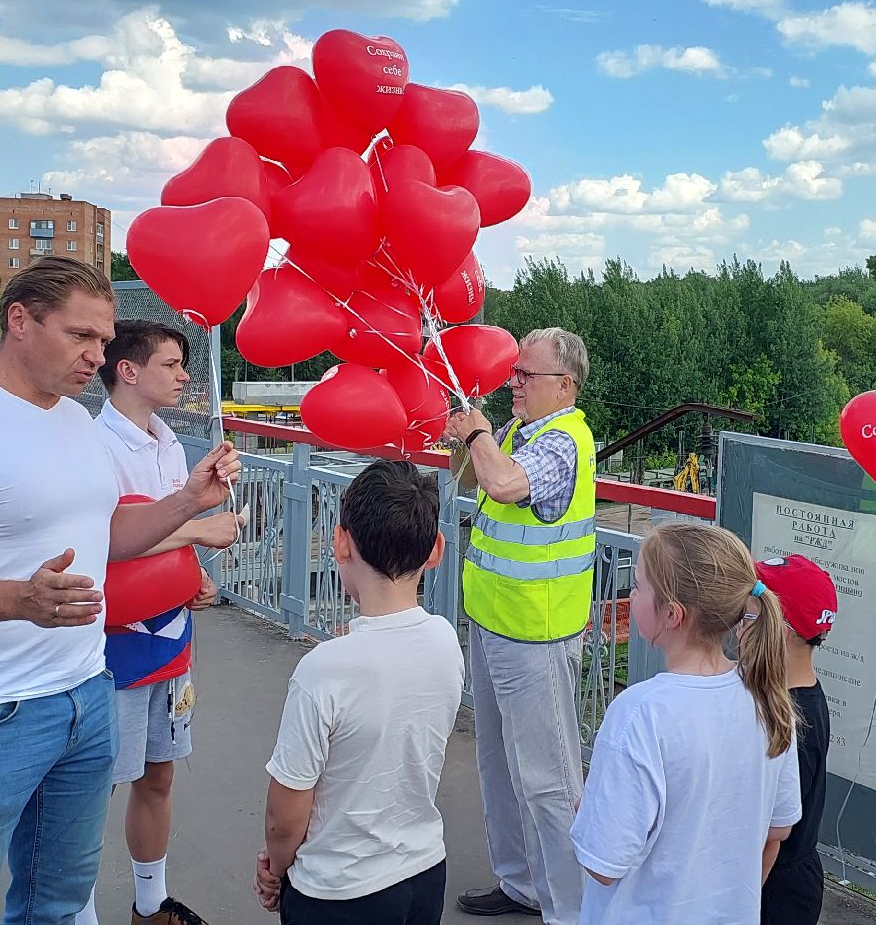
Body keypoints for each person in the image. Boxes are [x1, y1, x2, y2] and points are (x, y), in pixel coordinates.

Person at [0, 257, 242, 925]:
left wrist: (187, 501)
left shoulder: (73, 420)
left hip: (84, 695)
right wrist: (18, 599)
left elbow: (109, 535)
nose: (97, 356)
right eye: (80, 337)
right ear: (20, 321)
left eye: (103, 340)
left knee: (58, 903)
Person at [252, 459, 465, 924]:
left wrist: (277, 868)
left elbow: (284, 816)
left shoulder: (323, 672)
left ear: (341, 542)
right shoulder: (446, 641)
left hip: (339, 891)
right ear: (436, 550)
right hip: (424, 871)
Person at [78, 321, 240, 925]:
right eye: (171, 364)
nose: (183, 376)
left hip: (169, 638)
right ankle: (79, 910)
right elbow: (107, 541)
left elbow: (163, 545)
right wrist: (198, 526)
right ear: (128, 370)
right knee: (93, 789)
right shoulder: (95, 447)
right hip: (111, 646)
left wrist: (191, 576)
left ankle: (151, 903)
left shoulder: (170, 443)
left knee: (158, 773)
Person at [570, 523, 801, 925]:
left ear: (673, 614)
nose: (632, 594)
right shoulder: (768, 699)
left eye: (639, 587)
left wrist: (588, 810)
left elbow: (603, 864)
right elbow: (777, 831)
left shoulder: (640, 713)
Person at [443, 327, 596, 924]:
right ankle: (521, 884)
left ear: (565, 385)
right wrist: (466, 437)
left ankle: (571, 909)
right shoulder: (519, 431)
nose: (514, 383)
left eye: (525, 375)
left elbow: (505, 484)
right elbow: (473, 481)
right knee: (499, 764)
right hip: (494, 620)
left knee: (550, 780)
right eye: (514, 373)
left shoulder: (563, 442)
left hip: (537, 633)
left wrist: (478, 432)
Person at [753, 554, 840, 925]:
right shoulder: (800, 697)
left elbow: (774, 834)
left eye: (750, 612)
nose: (740, 623)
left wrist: (735, 898)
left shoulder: (790, 721)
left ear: (782, 630)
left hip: (773, 890)